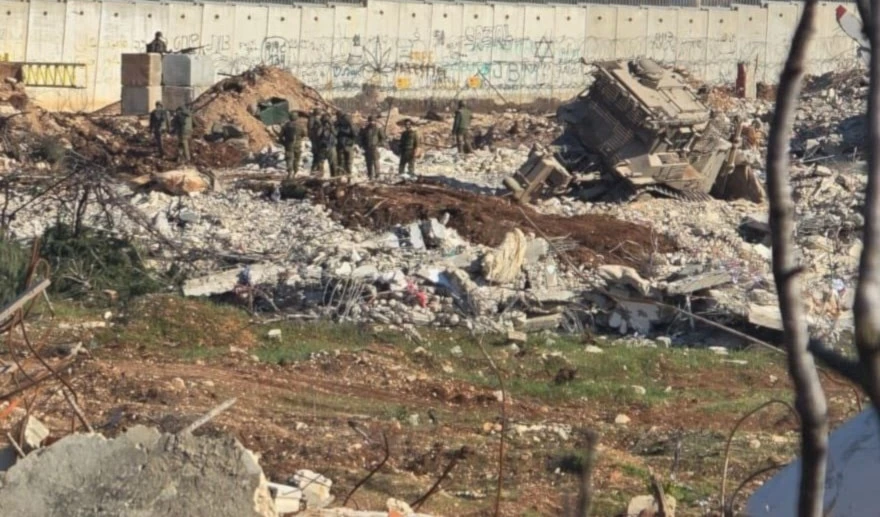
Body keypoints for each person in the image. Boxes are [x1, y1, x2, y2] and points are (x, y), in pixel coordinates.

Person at [358, 115, 386, 180]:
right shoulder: (365, 129)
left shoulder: (378, 129)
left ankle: (377, 175)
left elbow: (383, 138)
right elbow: (362, 138)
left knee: (376, 161)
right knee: (368, 162)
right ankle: (370, 175)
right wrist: (363, 146)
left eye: (373, 121)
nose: (372, 122)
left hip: (374, 147)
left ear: (375, 121)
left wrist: (378, 144)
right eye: (370, 121)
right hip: (367, 147)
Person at [280, 111, 306, 178]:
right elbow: (304, 134)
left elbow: (280, 136)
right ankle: (296, 172)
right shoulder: (300, 125)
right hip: (297, 144)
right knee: (296, 159)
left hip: (289, 145)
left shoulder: (286, 125)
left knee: (289, 159)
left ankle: (290, 172)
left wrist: (284, 143)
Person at [334, 112, 356, 176]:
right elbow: (355, 134)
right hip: (348, 145)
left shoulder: (337, 124)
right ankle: (348, 178)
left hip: (340, 145)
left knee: (340, 162)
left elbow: (335, 133)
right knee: (348, 163)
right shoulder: (351, 124)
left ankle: (340, 178)